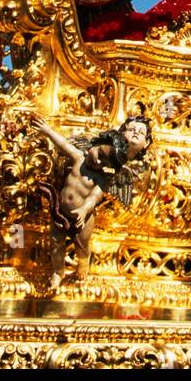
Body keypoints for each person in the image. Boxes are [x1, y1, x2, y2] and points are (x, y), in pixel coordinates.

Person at [31, 112, 151, 288]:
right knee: (56, 244)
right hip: (59, 211)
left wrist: (84, 210)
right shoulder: (80, 158)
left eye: (104, 161)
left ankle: (83, 261)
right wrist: (47, 130)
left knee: (82, 245)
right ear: (94, 145)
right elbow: (63, 144)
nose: (97, 160)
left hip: (83, 219)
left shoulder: (101, 178)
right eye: (99, 153)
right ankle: (58, 271)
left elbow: (94, 197)